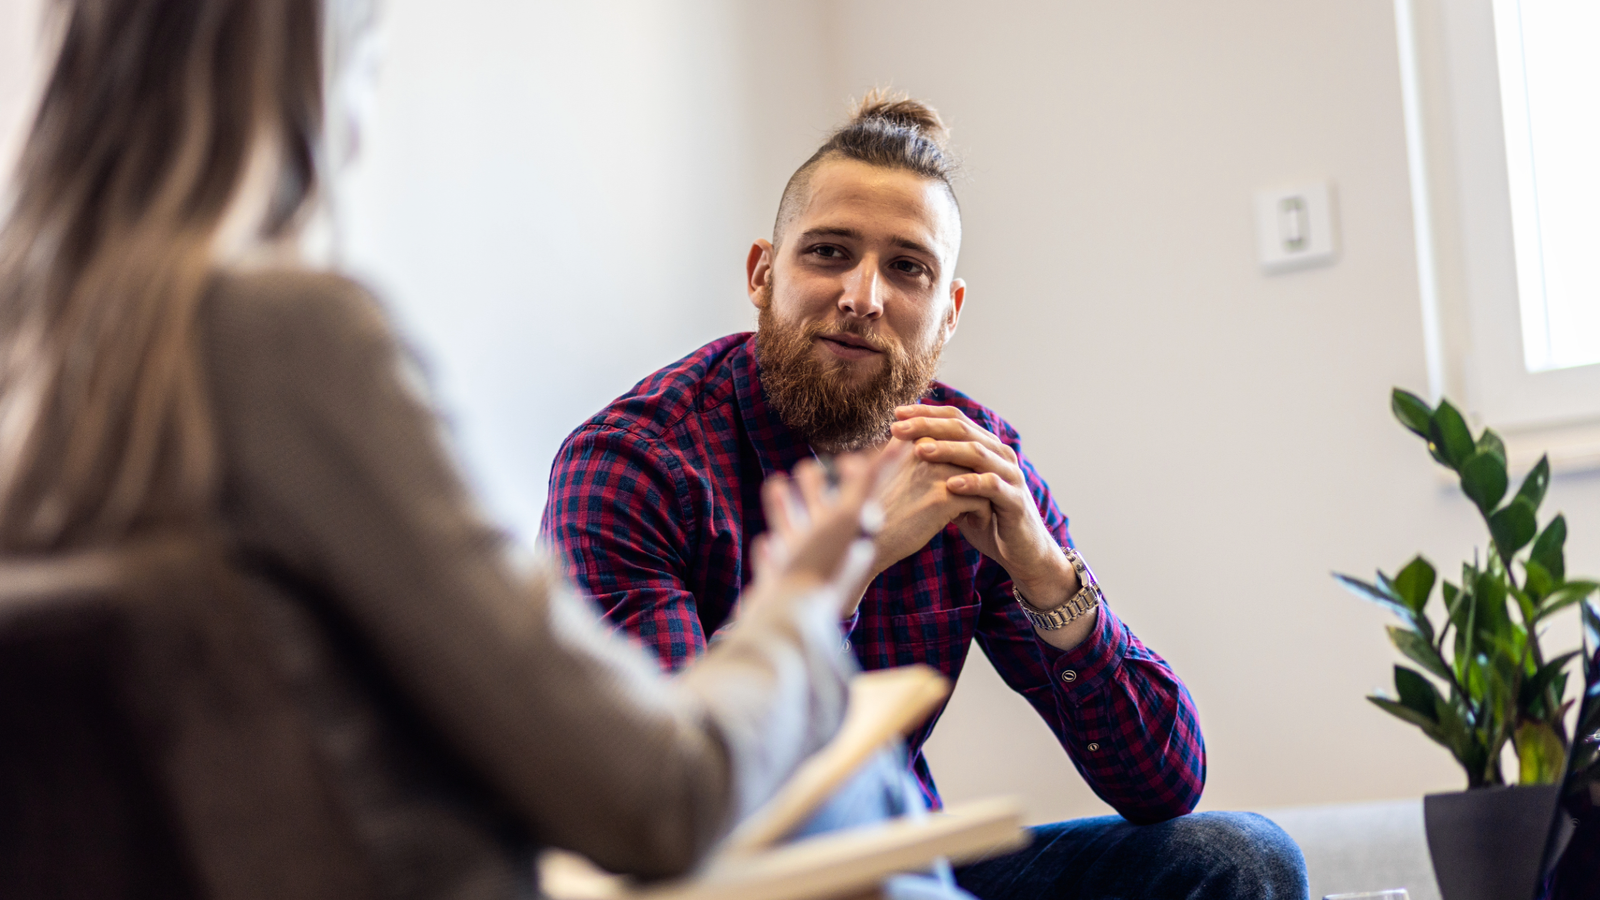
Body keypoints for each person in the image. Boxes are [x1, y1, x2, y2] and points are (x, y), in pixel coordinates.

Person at [0, 1, 899, 898]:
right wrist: (803, 602)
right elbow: (658, 797)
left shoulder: (31, 373)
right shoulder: (278, 342)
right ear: (315, 75)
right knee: (879, 807)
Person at [542, 91, 1309, 899]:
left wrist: (1050, 577)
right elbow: (674, 806)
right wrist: (845, 574)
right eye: (829, 253)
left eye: (907, 267)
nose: (864, 296)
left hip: (908, 872)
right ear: (763, 275)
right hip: (722, 882)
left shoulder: (971, 460)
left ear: (948, 314)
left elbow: (1164, 783)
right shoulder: (633, 463)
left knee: (1241, 859)